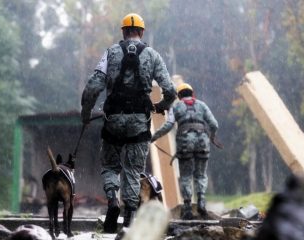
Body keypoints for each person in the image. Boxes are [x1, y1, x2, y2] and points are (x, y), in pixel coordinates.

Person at [80, 13, 176, 233]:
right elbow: (170, 90)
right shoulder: (152, 55)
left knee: (110, 165)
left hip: (113, 120)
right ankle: (130, 216)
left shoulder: (111, 53)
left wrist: (86, 113)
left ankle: (113, 201)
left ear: (123, 32)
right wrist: (162, 105)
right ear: (142, 32)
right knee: (133, 169)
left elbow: (93, 86)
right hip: (139, 123)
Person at [151, 82, 219, 219]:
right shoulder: (202, 105)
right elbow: (214, 124)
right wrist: (211, 137)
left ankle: (187, 208)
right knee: (200, 175)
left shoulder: (176, 107)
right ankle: (201, 202)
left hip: (185, 144)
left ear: (179, 95)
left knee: (186, 176)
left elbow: (168, 125)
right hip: (202, 143)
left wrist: (153, 137)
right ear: (192, 93)